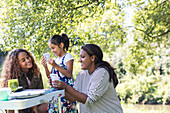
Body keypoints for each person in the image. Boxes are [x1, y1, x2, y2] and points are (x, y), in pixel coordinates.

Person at [52, 44, 124, 113]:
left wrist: (66, 86)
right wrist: (58, 88)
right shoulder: (82, 74)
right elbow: (73, 98)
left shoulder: (102, 72)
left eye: (83, 57)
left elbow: (89, 100)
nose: (79, 60)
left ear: (92, 58)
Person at [1, 49, 47, 113]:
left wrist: (35, 107)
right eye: (23, 60)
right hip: (22, 107)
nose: (28, 60)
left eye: (28, 57)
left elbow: (41, 91)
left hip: (36, 104)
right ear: (17, 63)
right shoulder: (13, 77)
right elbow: (11, 100)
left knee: (47, 104)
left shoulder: (36, 73)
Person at [41, 34, 77, 113]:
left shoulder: (68, 57)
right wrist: (45, 67)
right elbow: (50, 77)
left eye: (53, 48)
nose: (52, 51)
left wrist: (55, 65)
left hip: (67, 93)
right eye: (51, 49)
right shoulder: (56, 60)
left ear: (61, 45)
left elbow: (68, 74)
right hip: (57, 93)